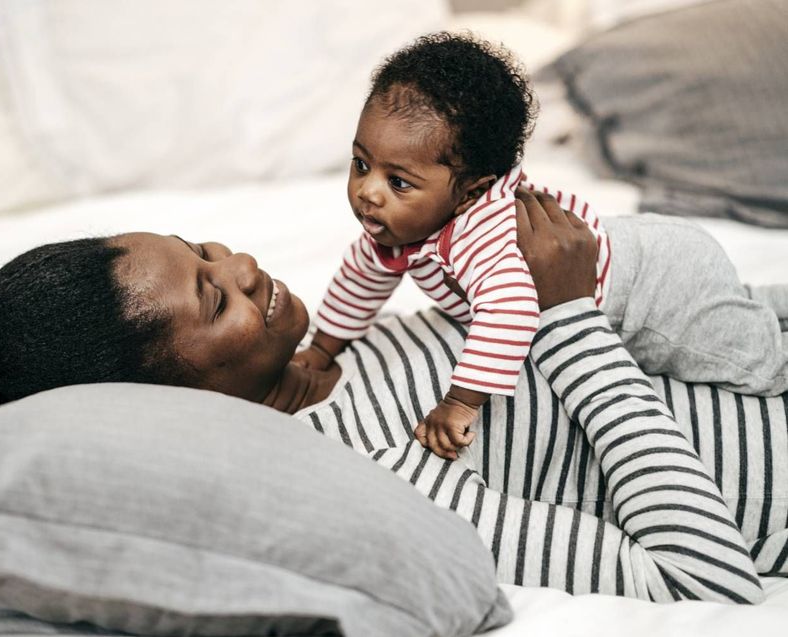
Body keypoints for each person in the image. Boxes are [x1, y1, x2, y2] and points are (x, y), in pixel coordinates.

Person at [0, 191, 786, 604]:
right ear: (174, 404)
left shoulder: (348, 350)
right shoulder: (385, 471)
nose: (244, 263)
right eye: (213, 296)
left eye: (203, 249)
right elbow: (702, 584)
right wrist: (569, 317)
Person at [295, 32, 788, 460]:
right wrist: (321, 349)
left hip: (654, 291)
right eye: (361, 164)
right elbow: (360, 280)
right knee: (743, 305)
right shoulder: (394, 229)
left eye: (398, 181)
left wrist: (461, 402)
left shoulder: (480, 235)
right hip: (648, 253)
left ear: (469, 191)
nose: (368, 192)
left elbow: (508, 311)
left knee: (754, 363)